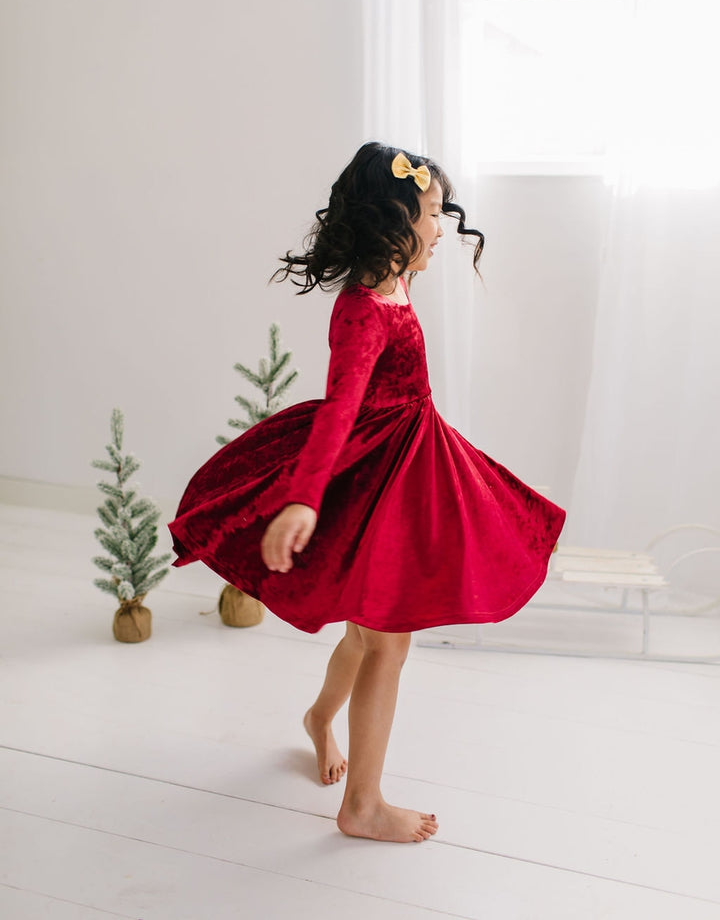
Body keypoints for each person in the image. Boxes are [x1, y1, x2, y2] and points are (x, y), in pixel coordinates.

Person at [169, 141, 566, 844]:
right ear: (392, 220)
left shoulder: (394, 278)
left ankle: (320, 719)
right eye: (433, 215)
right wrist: (303, 497)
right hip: (373, 472)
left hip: (411, 457)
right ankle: (363, 805)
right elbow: (340, 409)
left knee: (367, 630)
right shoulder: (361, 309)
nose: (442, 230)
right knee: (387, 641)